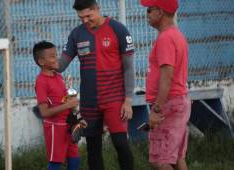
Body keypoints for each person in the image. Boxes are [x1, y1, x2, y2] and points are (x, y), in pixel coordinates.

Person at [57, 0, 135, 169]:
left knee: (121, 144)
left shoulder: (118, 29)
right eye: (81, 17)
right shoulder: (76, 34)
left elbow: (129, 68)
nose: (85, 20)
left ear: (97, 9)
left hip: (114, 99)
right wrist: (44, 60)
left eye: (88, 16)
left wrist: (128, 100)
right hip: (89, 102)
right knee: (93, 148)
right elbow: (61, 64)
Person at [140, 0, 191, 170]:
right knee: (176, 158)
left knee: (159, 160)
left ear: (160, 12)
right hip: (178, 102)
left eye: (149, 10)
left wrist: (157, 110)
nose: (146, 14)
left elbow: (167, 75)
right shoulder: (176, 35)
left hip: (169, 104)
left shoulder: (166, 38)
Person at [33, 41, 85, 170]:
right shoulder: (41, 81)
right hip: (55, 127)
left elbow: (65, 100)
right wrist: (68, 105)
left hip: (68, 125)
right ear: (41, 61)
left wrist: (77, 115)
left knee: (74, 159)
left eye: (56, 54)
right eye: (52, 56)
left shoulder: (59, 77)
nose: (56, 58)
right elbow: (44, 112)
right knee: (56, 162)